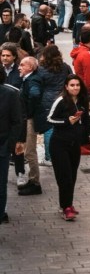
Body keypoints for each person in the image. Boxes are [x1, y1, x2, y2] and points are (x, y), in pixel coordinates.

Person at [47, 75, 90, 221]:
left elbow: (88, 121)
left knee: (72, 176)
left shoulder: (82, 101)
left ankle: (68, 204)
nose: (75, 88)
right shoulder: (61, 101)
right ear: (66, 87)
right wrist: (67, 121)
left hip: (74, 145)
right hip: (59, 144)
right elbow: (50, 119)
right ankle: (65, 207)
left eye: (77, 85)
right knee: (64, 176)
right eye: (72, 85)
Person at [17, 56, 44, 196]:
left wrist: (28, 112)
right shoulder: (29, 79)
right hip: (29, 117)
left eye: (22, 65)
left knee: (29, 151)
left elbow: (34, 95)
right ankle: (32, 179)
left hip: (30, 119)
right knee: (28, 150)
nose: (19, 67)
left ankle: (35, 183)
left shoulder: (32, 80)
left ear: (31, 67)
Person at [0, 68, 24, 223]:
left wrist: (10, 145)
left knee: (1, 185)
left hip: (2, 147)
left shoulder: (10, 94)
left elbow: (17, 121)